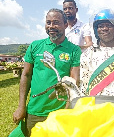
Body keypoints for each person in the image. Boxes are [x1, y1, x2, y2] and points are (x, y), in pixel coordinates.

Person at [12, 8, 81, 136]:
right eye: (48, 22)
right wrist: (21, 107)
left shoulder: (74, 50)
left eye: (56, 22)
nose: (51, 26)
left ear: (66, 24)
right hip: (35, 110)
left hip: (60, 112)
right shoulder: (35, 46)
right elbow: (26, 75)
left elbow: (74, 81)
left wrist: (67, 111)